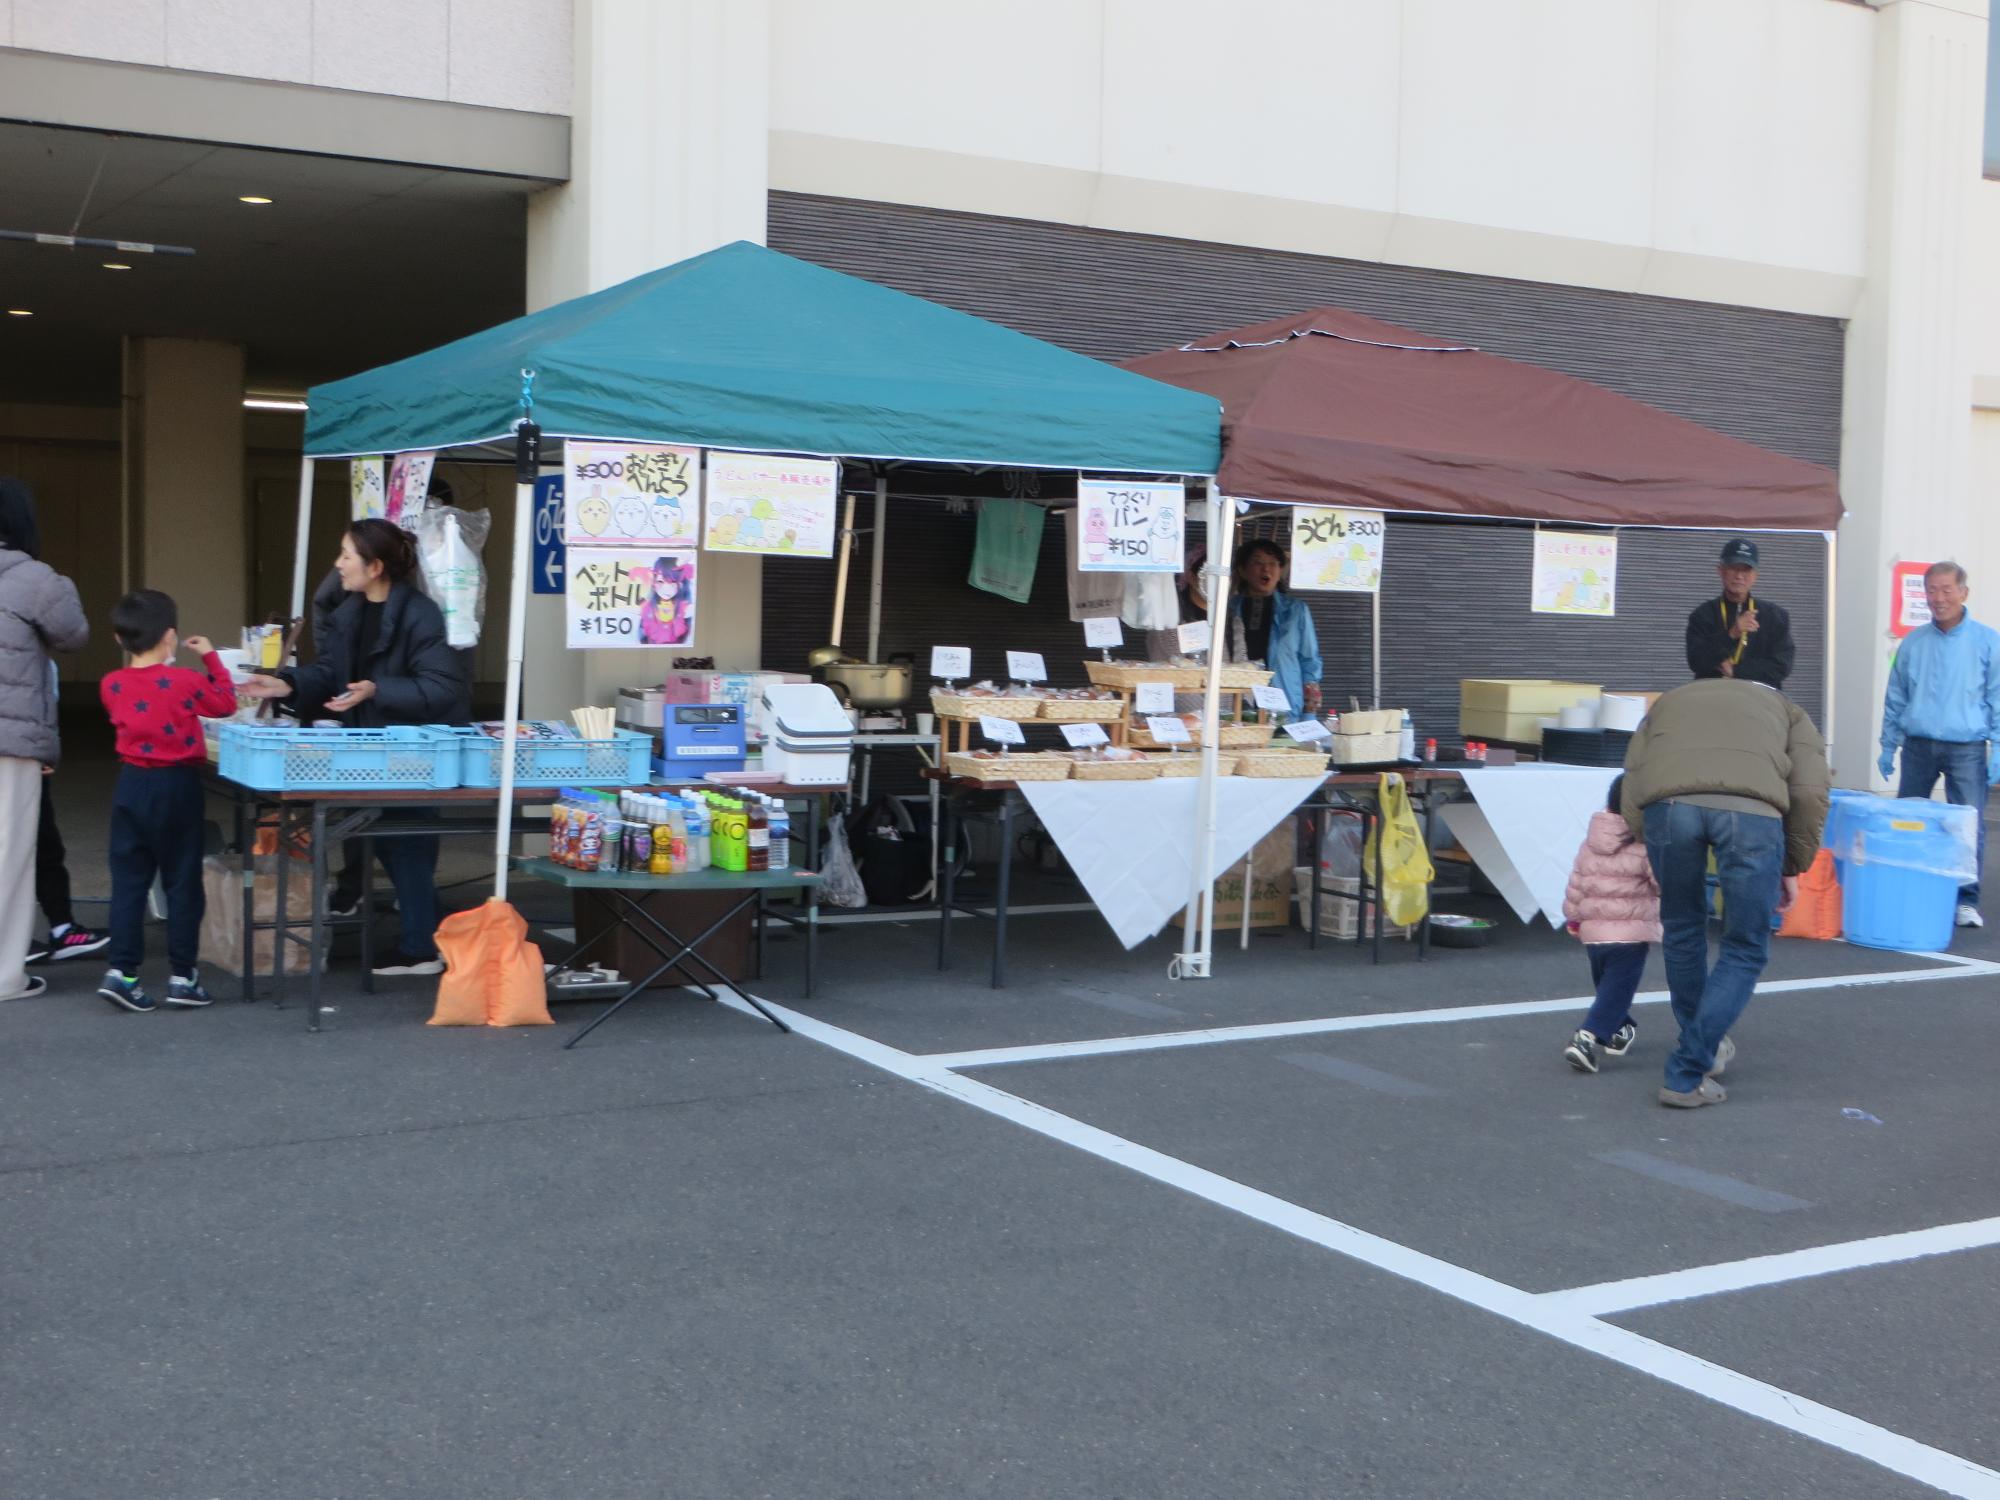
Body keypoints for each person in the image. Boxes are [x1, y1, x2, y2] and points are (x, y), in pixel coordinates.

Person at [242, 519, 470, 975]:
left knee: (406, 843)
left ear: (376, 566)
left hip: (413, 752)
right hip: (367, 749)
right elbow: (329, 671)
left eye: (347, 555)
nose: (338, 564)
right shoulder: (350, 610)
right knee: (387, 842)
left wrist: (376, 689)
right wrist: (285, 684)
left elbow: (442, 686)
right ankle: (438, 933)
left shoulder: (419, 614)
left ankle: (420, 949)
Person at [1622, 678, 1828, 1108]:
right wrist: (1792, 863)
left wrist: (1649, 839)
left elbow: (1634, 776)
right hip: (1751, 815)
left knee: (1682, 930)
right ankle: (1687, 1069)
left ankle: (1704, 1048)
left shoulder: (1671, 700)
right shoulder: (1789, 710)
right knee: (1745, 944)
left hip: (1669, 810)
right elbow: (1809, 791)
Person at [95, 590, 237, 1012]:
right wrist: (210, 657)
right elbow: (225, 703)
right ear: (171, 636)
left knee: (129, 882)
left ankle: (122, 973)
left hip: (131, 784)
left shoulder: (111, 684)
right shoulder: (187, 682)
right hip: (177, 787)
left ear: (120, 640)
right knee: (181, 882)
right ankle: (182, 976)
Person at [0, 478, 91, 1003]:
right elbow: (74, 635)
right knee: (11, 855)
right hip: (10, 739)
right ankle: (6, 974)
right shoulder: (34, 578)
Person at [1877, 561, 2000, 929]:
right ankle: (1906, 886)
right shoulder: (1914, 642)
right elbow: (1896, 696)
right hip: (1918, 744)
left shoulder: (1987, 641)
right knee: (1908, 819)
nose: (1939, 598)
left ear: (1964, 592)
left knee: (1966, 825)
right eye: (1932, 590)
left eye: (1947, 590)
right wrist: (1888, 743)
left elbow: (1997, 696)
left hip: (1966, 746)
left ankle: (1965, 899)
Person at [1560, 774, 1660, 1074]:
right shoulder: (1645, 842)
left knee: (1609, 990)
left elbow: (1577, 882)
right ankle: (1586, 1039)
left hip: (1594, 934)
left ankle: (1621, 1030)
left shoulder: (1592, 840)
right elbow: (1660, 882)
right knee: (1617, 990)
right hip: (1630, 933)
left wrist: (1575, 917)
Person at [1229, 539, 1323, 721]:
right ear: (1242, 570)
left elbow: (1310, 661)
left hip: (1285, 706)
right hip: (1239, 704)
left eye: (1273, 563)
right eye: (1257, 562)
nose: (1266, 569)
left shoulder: (1296, 610)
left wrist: (1309, 712)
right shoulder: (1229, 610)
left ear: (1280, 571)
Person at [1685, 538, 1794, 689]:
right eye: (1734, 568)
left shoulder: (1775, 616)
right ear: (1721, 571)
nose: (1739, 576)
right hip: (1713, 700)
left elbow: (1781, 666)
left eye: (1746, 569)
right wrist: (1731, 634)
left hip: (1760, 702)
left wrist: (1736, 671)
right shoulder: (1703, 614)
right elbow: (1696, 661)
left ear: (1756, 575)